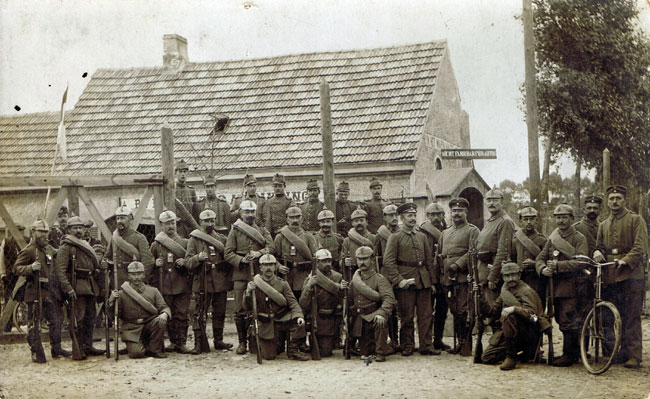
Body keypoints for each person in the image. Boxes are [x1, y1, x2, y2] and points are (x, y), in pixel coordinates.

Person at [594, 185, 648, 369]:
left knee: (632, 315)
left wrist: (626, 260)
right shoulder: (603, 224)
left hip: (632, 275)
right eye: (611, 198)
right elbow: (599, 246)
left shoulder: (635, 219)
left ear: (624, 200)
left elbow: (640, 247)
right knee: (617, 316)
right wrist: (596, 252)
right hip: (611, 276)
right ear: (607, 202)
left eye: (618, 198)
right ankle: (622, 352)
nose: (615, 201)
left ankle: (635, 355)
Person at [535, 203, 588, 367]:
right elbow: (540, 258)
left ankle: (569, 355)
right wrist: (543, 269)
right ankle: (573, 353)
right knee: (560, 318)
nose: (561, 221)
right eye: (558, 217)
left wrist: (558, 266)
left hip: (573, 286)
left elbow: (582, 261)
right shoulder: (552, 238)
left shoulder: (579, 238)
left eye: (564, 217)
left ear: (572, 219)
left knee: (568, 319)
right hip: (555, 287)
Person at [382, 203, 438, 356]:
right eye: (409, 216)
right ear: (402, 218)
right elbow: (388, 261)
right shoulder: (395, 237)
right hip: (405, 282)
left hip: (423, 280)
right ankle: (407, 345)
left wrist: (432, 282)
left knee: (426, 315)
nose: (413, 218)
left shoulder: (422, 236)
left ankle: (426, 345)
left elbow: (429, 261)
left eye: (414, 215)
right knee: (406, 316)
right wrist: (399, 280)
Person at [480, 262, 552, 370]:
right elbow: (493, 312)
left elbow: (534, 318)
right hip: (511, 333)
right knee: (487, 357)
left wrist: (514, 309)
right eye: (507, 276)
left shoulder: (526, 291)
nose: (510, 279)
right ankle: (525, 353)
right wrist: (480, 298)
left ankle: (511, 357)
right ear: (503, 277)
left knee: (509, 315)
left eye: (513, 275)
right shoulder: (505, 291)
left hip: (529, 331)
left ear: (519, 275)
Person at [224, 200, 273, 355]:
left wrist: (259, 253)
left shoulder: (262, 230)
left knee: (259, 306)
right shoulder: (235, 231)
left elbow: (272, 247)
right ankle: (242, 342)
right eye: (247, 212)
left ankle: (256, 339)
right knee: (239, 309)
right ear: (240, 213)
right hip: (241, 275)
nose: (250, 215)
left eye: (252, 212)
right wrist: (241, 260)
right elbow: (228, 253)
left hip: (259, 273)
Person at [14, 219, 67, 362]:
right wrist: (30, 268)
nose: (44, 234)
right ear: (33, 232)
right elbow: (17, 267)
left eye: (46, 231)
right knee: (34, 323)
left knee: (56, 320)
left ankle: (57, 349)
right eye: (41, 231)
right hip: (35, 292)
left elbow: (60, 254)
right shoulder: (29, 250)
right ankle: (36, 351)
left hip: (50, 291)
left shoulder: (49, 248)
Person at [55, 216, 105, 358]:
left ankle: (88, 346)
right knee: (79, 319)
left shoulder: (85, 244)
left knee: (91, 318)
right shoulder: (66, 247)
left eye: (80, 228)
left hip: (89, 285)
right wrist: (68, 288)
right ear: (69, 230)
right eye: (75, 228)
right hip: (77, 287)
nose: (78, 231)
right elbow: (60, 270)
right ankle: (79, 349)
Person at [245, 254, 310, 361]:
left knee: (299, 322)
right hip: (265, 321)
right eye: (265, 265)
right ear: (260, 267)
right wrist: (248, 292)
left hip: (281, 318)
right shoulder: (255, 284)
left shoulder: (282, 284)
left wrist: (299, 316)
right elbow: (247, 306)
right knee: (269, 356)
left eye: (271, 264)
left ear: (275, 267)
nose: (268, 268)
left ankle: (293, 350)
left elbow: (293, 303)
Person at [435, 198, 479, 354]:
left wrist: (458, 264)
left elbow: (473, 252)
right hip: (447, 278)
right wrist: (439, 275)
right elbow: (439, 255)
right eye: (454, 211)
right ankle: (459, 342)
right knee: (454, 311)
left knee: (463, 311)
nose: (457, 214)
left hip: (462, 277)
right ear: (450, 212)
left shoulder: (472, 230)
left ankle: (465, 344)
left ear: (466, 212)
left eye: (460, 211)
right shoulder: (445, 233)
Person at [186, 209, 233, 353]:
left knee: (220, 311)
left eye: (212, 220)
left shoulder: (222, 239)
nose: (209, 223)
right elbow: (188, 262)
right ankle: (199, 342)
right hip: (202, 281)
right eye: (206, 221)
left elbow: (228, 259)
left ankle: (218, 340)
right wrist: (197, 258)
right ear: (200, 222)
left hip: (219, 281)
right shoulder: (194, 239)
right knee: (199, 312)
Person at [107, 261, 171, 359]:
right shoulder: (121, 294)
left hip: (149, 325)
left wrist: (165, 314)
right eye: (133, 274)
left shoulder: (153, 291)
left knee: (160, 320)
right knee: (137, 354)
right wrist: (111, 301)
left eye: (139, 274)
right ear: (128, 276)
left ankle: (154, 349)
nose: (136, 277)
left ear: (143, 275)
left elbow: (164, 307)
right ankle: (136, 345)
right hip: (131, 328)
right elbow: (114, 315)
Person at [149, 210, 192, 354]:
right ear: (161, 225)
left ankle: (181, 342)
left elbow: (192, 261)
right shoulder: (156, 245)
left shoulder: (185, 243)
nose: (170, 226)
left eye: (172, 222)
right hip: (165, 284)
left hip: (182, 283)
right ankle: (173, 342)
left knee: (182, 314)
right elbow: (149, 265)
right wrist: (155, 263)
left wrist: (185, 262)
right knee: (169, 314)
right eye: (167, 223)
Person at [348, 246, 396, 362]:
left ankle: (381, 351)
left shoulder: (380, 279)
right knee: (365, 352)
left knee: (380, 322)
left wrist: (381, 313)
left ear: (372, 259)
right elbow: (349, 300)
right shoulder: (354, 280)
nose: (362, 262)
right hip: (360, 318)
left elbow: (389, 299)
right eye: (359, 259)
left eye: (365, 259)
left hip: (374, 315)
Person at [299, 249, 348, 357]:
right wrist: (309, 286)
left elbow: (342, 301)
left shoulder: (337, 277)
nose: (327, 264)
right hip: (317, 318)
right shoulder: (311, 278)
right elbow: (303, 302)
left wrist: (343, 289)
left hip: (332, 318)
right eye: (324, 261)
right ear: (317, 263)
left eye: (329, 261)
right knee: (322, 352)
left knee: (326, 351)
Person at [476, 189, 515, 311]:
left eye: (495, 200)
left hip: (493, 273)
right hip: (484, 272)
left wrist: (493, 276)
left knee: (494, 310)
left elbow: (503, 251)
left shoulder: (505, 221)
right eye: (488, 200)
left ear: (502, 202)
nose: (491, 203)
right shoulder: (491, 220)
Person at [420, 202, 450, 351]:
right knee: (427, 310)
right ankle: (426, 341)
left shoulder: (448, 230)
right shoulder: (422, 231)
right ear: (427, 216)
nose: (436, 217)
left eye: (439, 214)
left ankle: (438, 339)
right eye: (433, 214)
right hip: (428, 275)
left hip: (444, 275)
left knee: (442, 309)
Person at [103, 206, 155, 287]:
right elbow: (107, 256)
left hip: (133, 281)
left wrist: (141, 281)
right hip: (116, 281)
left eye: (123, 218)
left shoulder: (139, 238)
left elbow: (148, 261)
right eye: (118, 218)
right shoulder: (114, 238)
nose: (120, 221)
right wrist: (105, 263)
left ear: (130, 218)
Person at [373, 204, 400, 352]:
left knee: (400, 309)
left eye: (395, 214)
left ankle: (398, 341)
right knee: (388, 308)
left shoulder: (403, 232)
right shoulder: (380, 233)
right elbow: (374, 254)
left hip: (400, 273)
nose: (393, 218)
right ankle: (389, 340)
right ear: (384, 217)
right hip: (385, 275)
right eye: (390, 215)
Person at [512, 206, 547, 304]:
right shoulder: (515, 240)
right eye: (525, 219)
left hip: (537, 280)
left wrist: (534, 263)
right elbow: (512, 259)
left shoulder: (543, 240)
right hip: (520, 280)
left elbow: (547, 261)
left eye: (532, 219)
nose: (528, 222)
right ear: (520, 221)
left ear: (536, 221)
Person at [342, 209, 376, 275]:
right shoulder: (347, 241)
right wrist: (344, 262)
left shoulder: (373, 238)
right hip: (353, 273)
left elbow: (377, 259)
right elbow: (342, 259)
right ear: (352, 223)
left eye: (361, 220)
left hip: (371, 273)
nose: (359, 223)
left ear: (367, 222)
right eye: (356, 221)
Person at [263, 173, 296, 238]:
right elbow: (267, 220)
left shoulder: (289, 201)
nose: (277, 188)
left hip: (286, 233)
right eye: (275, 186)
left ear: (284, 186)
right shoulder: (269, 202)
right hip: (272, 234)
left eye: (280, 186)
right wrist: (268, 235)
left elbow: (292, 219)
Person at [175, 159, 199, 238]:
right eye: (180, 172)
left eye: (185, 172)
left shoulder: (191, 190)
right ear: (176, 173)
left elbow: (195, 210)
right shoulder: (171, 190)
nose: (183, 174)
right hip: (176, 228)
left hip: (189, 228)